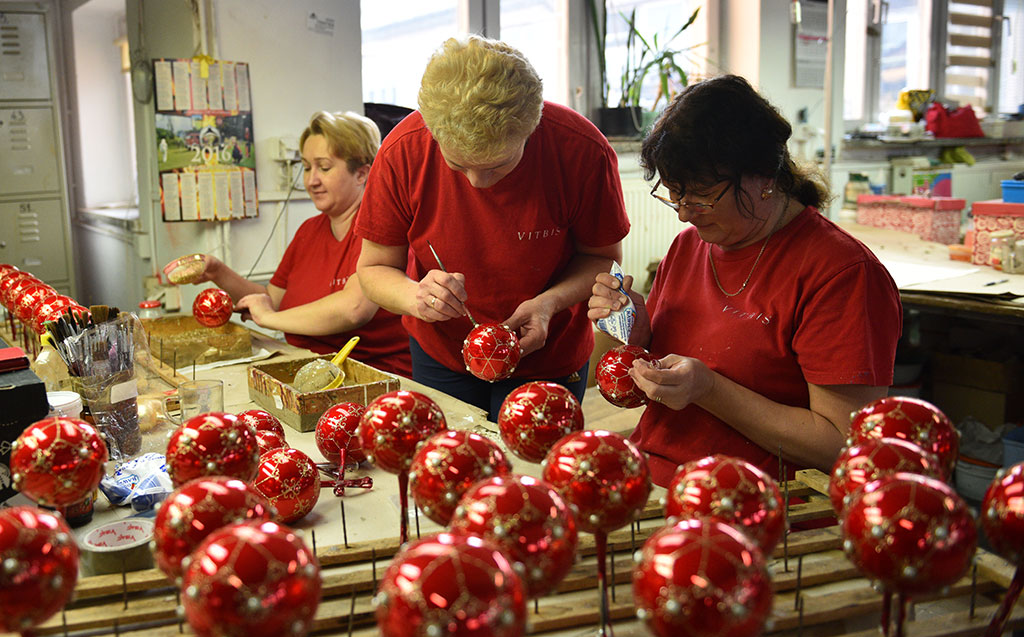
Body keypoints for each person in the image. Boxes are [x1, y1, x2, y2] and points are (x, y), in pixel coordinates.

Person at [588, 75, 902, 486]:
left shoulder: (841, 274)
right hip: (659, 478)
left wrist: (708, 389)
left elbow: (841, 444)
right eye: (674, 195)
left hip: (757, 502)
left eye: (701, 196)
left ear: (764, 177)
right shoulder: (688, 247)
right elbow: (607, 379)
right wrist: (628, 328)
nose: (684, 213)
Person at [355, 36, 629, 419]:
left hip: (549, 355)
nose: (477, 184)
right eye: (457, 165)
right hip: (441, 353)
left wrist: (549, 304)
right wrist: (417, 297)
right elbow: (373, 269)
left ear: (532, 128)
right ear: (434, 134)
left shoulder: (581, 150)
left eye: (498, 166)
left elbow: (601, 259)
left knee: (532, 472)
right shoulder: (403, 150)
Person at [194, 110, 412, 377]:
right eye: (307, 167)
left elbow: (354, 309)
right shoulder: (309, 231)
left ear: (362, 174)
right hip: (305, 367)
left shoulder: (379, 231)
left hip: (369, 377)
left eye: (325, 167)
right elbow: (271, 300)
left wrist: (269, 319)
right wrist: (217, 271)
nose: (311, 180)